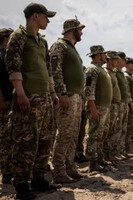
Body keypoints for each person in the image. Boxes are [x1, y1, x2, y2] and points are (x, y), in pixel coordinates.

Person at [5, 3, 59, 199]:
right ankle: (21, 187)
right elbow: (13, 65)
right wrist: (20, 93)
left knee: (45, 140)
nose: (48, 20)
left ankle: (38, 179)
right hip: (28, 97)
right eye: (46, 17)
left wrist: (52, 92)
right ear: (35, 16)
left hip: (44, 97)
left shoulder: (42, 42)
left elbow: (48, 69)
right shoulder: (18, 37)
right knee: (25, 142)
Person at [50, 18, 86, 183]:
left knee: (73, 134)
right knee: (64, 133)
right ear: (73, 29)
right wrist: (62, 93)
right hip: (67, 95)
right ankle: (58, 170)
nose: (82, 32)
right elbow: (55, 70)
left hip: (76, 96)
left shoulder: (73, 49)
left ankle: (70, 166)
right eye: (80, 29)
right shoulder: (60, 45)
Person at [84, 45, 112, 172]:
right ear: (98, 55)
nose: (105, 56)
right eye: (103, 54)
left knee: (101, 135)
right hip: (97, 107)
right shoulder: (92, 69)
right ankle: (92, 163)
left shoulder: (101, 69)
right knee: (94, 135)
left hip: (104, 108)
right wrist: (93, 108)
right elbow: (89, 90)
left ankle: (100, 160)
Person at [0, 27, 14, 185]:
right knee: (5, 140)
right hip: (4, 103)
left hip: (11, 102)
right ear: (5, 39)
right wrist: (1, 102)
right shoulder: (0, 55)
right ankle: (6, 173)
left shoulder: (7, 55)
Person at [103, 51, 121, 162]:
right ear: (109, 59)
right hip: (109, 105)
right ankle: (105, 156)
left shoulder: (112, 72)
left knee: (113, 130)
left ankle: (109, 155)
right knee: (107, 131)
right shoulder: (106, 72)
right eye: (115, 59)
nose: (117, 61)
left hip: (115, 105)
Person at [114, 52, 131, 158]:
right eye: (124, 60)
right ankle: (114, 152)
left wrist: (129, 104)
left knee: (123, 128)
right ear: (119, 60)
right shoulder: (115, 72)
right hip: (118, 104)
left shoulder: (122, 74)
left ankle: (120, 150)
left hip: (124, 104)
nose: (126, 62)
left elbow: (127, 91)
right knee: (117, 128)